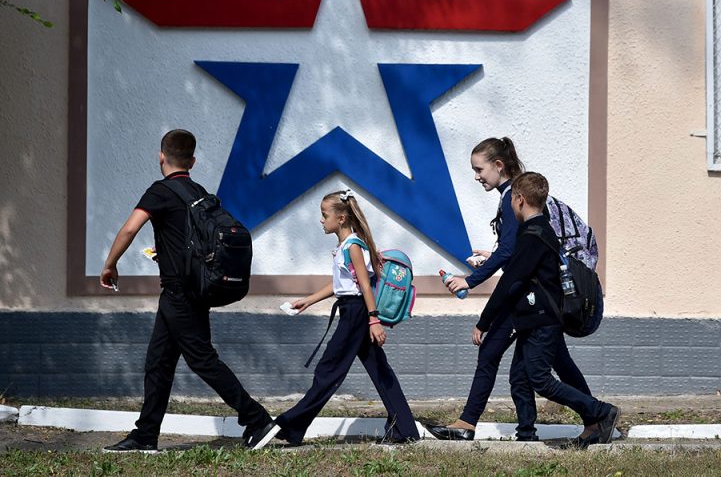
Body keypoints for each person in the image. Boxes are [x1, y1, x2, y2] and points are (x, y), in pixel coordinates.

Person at [99, 129, 276, 452]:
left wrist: (110, 264)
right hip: (189, 290)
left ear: (160, 156)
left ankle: (257, 418)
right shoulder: (198, 192)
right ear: (192, 161)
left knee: (202, 359)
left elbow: (129, 227)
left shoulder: (160, 191)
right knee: (159, 362)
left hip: (180, 293)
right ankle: (146, 433)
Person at [425, 138, 596, 442]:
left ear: (498, 166)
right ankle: (585, 421)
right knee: (551, 364)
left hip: (525, 297)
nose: (477, 176)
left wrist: (470, 280)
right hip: (536, 297)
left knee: (495, 355)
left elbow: (509, 254)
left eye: (479, 169)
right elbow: (518, 252)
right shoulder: (513, 195)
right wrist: (493, 258)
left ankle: (469, 425)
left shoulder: (512, 196)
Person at [252, 189, 419, 448]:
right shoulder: (346, 245)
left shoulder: (353, 245)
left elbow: (364, 286)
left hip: (356, 313)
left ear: (340, 218)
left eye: (324, 215)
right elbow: (341, 284)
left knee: (328, 371)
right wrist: (308, 300)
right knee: (379, 370)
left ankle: (291, 426)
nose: (321, 220)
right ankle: (405, 429)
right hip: (353, 309)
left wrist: (373, 320)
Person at [472, 171, 618, 448]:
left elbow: (510, 282)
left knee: (540, 379)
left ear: (519, 200)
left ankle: (601, 411)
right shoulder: (540, 231)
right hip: (533, 319)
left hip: (542, 322)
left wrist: (484, 322)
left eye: (512, 199)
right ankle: (526, 433)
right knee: (519, 377)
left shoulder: (533, 235)